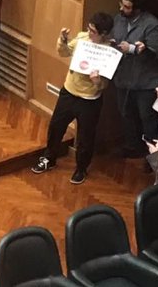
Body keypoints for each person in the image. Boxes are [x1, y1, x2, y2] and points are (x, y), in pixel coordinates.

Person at [31, 12, 115, 185]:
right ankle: (49, 158)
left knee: (85, 136)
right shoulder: (82, 39)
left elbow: (105, 84)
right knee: (56, 126)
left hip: (90, 100)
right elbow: (65, 52)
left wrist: (97, 81)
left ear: (104, 34)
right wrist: (62, 39)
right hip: (69, 92)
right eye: (89, 28)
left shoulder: (109, 53)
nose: (89, 32)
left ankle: (81, 168)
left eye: (93, 31)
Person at [111, 0, 158, 158]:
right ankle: (131, 146)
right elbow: (115, 38)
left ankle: (152, 154)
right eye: (121, 4)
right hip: (124, 77)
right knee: (125, 113)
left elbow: (157, 53)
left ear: (138, 9)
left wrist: (135, 49)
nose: (122, 8)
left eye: (127, 7)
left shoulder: (152, 25)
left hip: (145, 81)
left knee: (147, 118)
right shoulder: (118, 19)